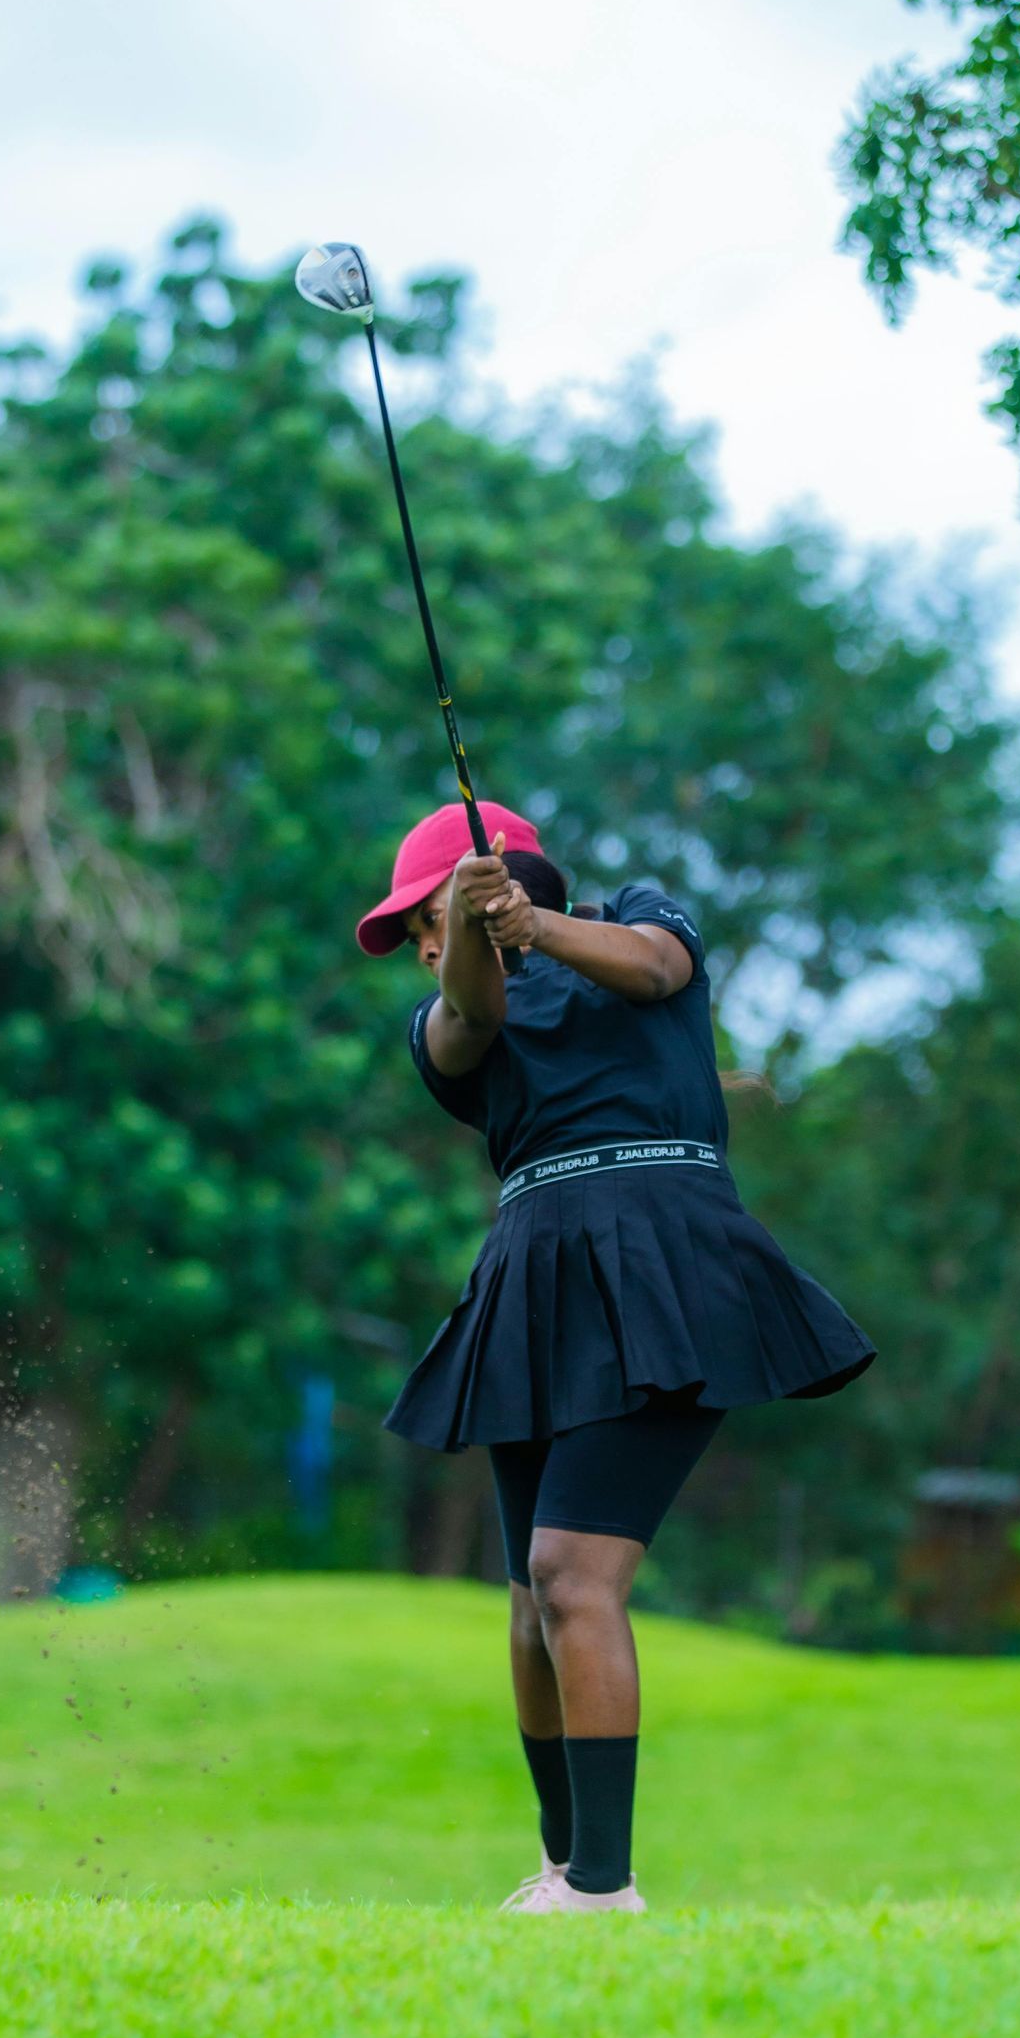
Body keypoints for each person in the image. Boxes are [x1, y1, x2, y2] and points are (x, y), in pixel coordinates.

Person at [358, 799, 875, 1914]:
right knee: (525, 1601)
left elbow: (654, 968)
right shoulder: (448, 1014)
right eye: (419, 932)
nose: (428, 945)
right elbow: (468, 1020)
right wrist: (483, 945)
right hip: (535, 1277)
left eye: (427, 919)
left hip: (672, 1261)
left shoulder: (635, 915)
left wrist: (530, 924)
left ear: (515, 879)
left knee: (571, 1575)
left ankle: (602, 1888)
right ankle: (561, 1866)